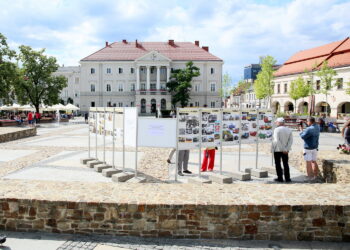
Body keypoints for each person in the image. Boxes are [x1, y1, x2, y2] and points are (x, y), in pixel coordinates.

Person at [272, 117, 293, 182]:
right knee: (285, 164)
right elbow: (291, 140)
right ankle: (287, 178)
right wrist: (286, 149)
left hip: (278, 149)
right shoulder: (289, 130)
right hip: (286, 150)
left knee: (278, 164)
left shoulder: (276, 130)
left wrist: (282, 149)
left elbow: (277, 140)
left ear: (279, 122)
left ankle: (280, 178)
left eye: (277, 122)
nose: (276, 123)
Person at [300, 117, 320, 182]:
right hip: (315, 147)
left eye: (307, 121)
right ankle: (315, 176)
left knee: (308, 162)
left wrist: (301, 130)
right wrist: (305, 122)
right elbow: (311, 125)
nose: (307, 123)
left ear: (310, 122)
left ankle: (310, 177)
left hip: (308, 147)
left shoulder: (309, 129)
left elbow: (303, 136)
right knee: (314, 161)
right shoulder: (317, 127)